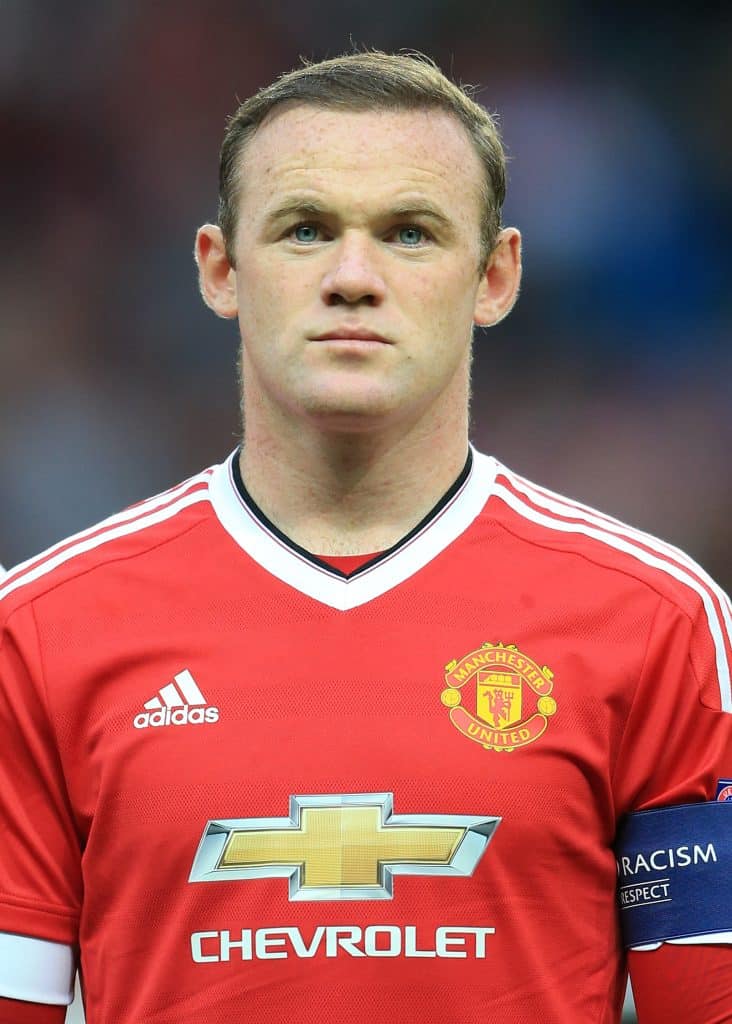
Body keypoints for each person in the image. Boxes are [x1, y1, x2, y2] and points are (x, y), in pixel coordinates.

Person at [0, 51, 730, 1024]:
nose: (353, 279)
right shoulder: (40, 631)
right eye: (305, 229)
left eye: (409, 233)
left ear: (496, 276)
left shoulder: (657, 623)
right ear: (220, 270)